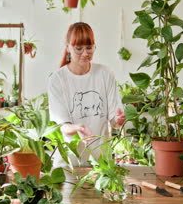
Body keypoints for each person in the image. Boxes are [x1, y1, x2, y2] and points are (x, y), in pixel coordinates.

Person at [47, 22, 126, 167]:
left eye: (89, 48)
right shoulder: (57, 79)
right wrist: (77, 128)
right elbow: (62, 126)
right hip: (69, 164)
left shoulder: (105, 74)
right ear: (68, 47)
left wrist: (119, 119)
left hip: (101, 164)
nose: (85, 54)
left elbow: (114, 122)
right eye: (79, 49)